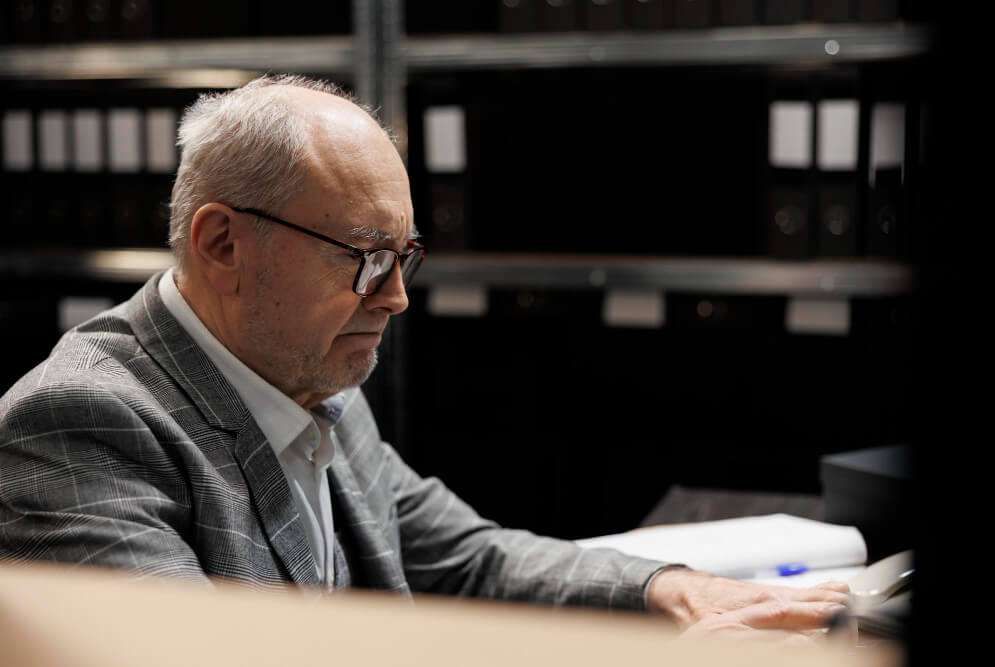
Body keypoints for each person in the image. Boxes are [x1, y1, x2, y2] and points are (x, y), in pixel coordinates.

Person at [0, 75, 846, 642]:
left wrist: (671, 587)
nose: (396, 297)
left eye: (404, 258)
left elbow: (468, 556)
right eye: (365, 256)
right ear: (222, 241)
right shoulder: (80, 425)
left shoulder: (306, 367)